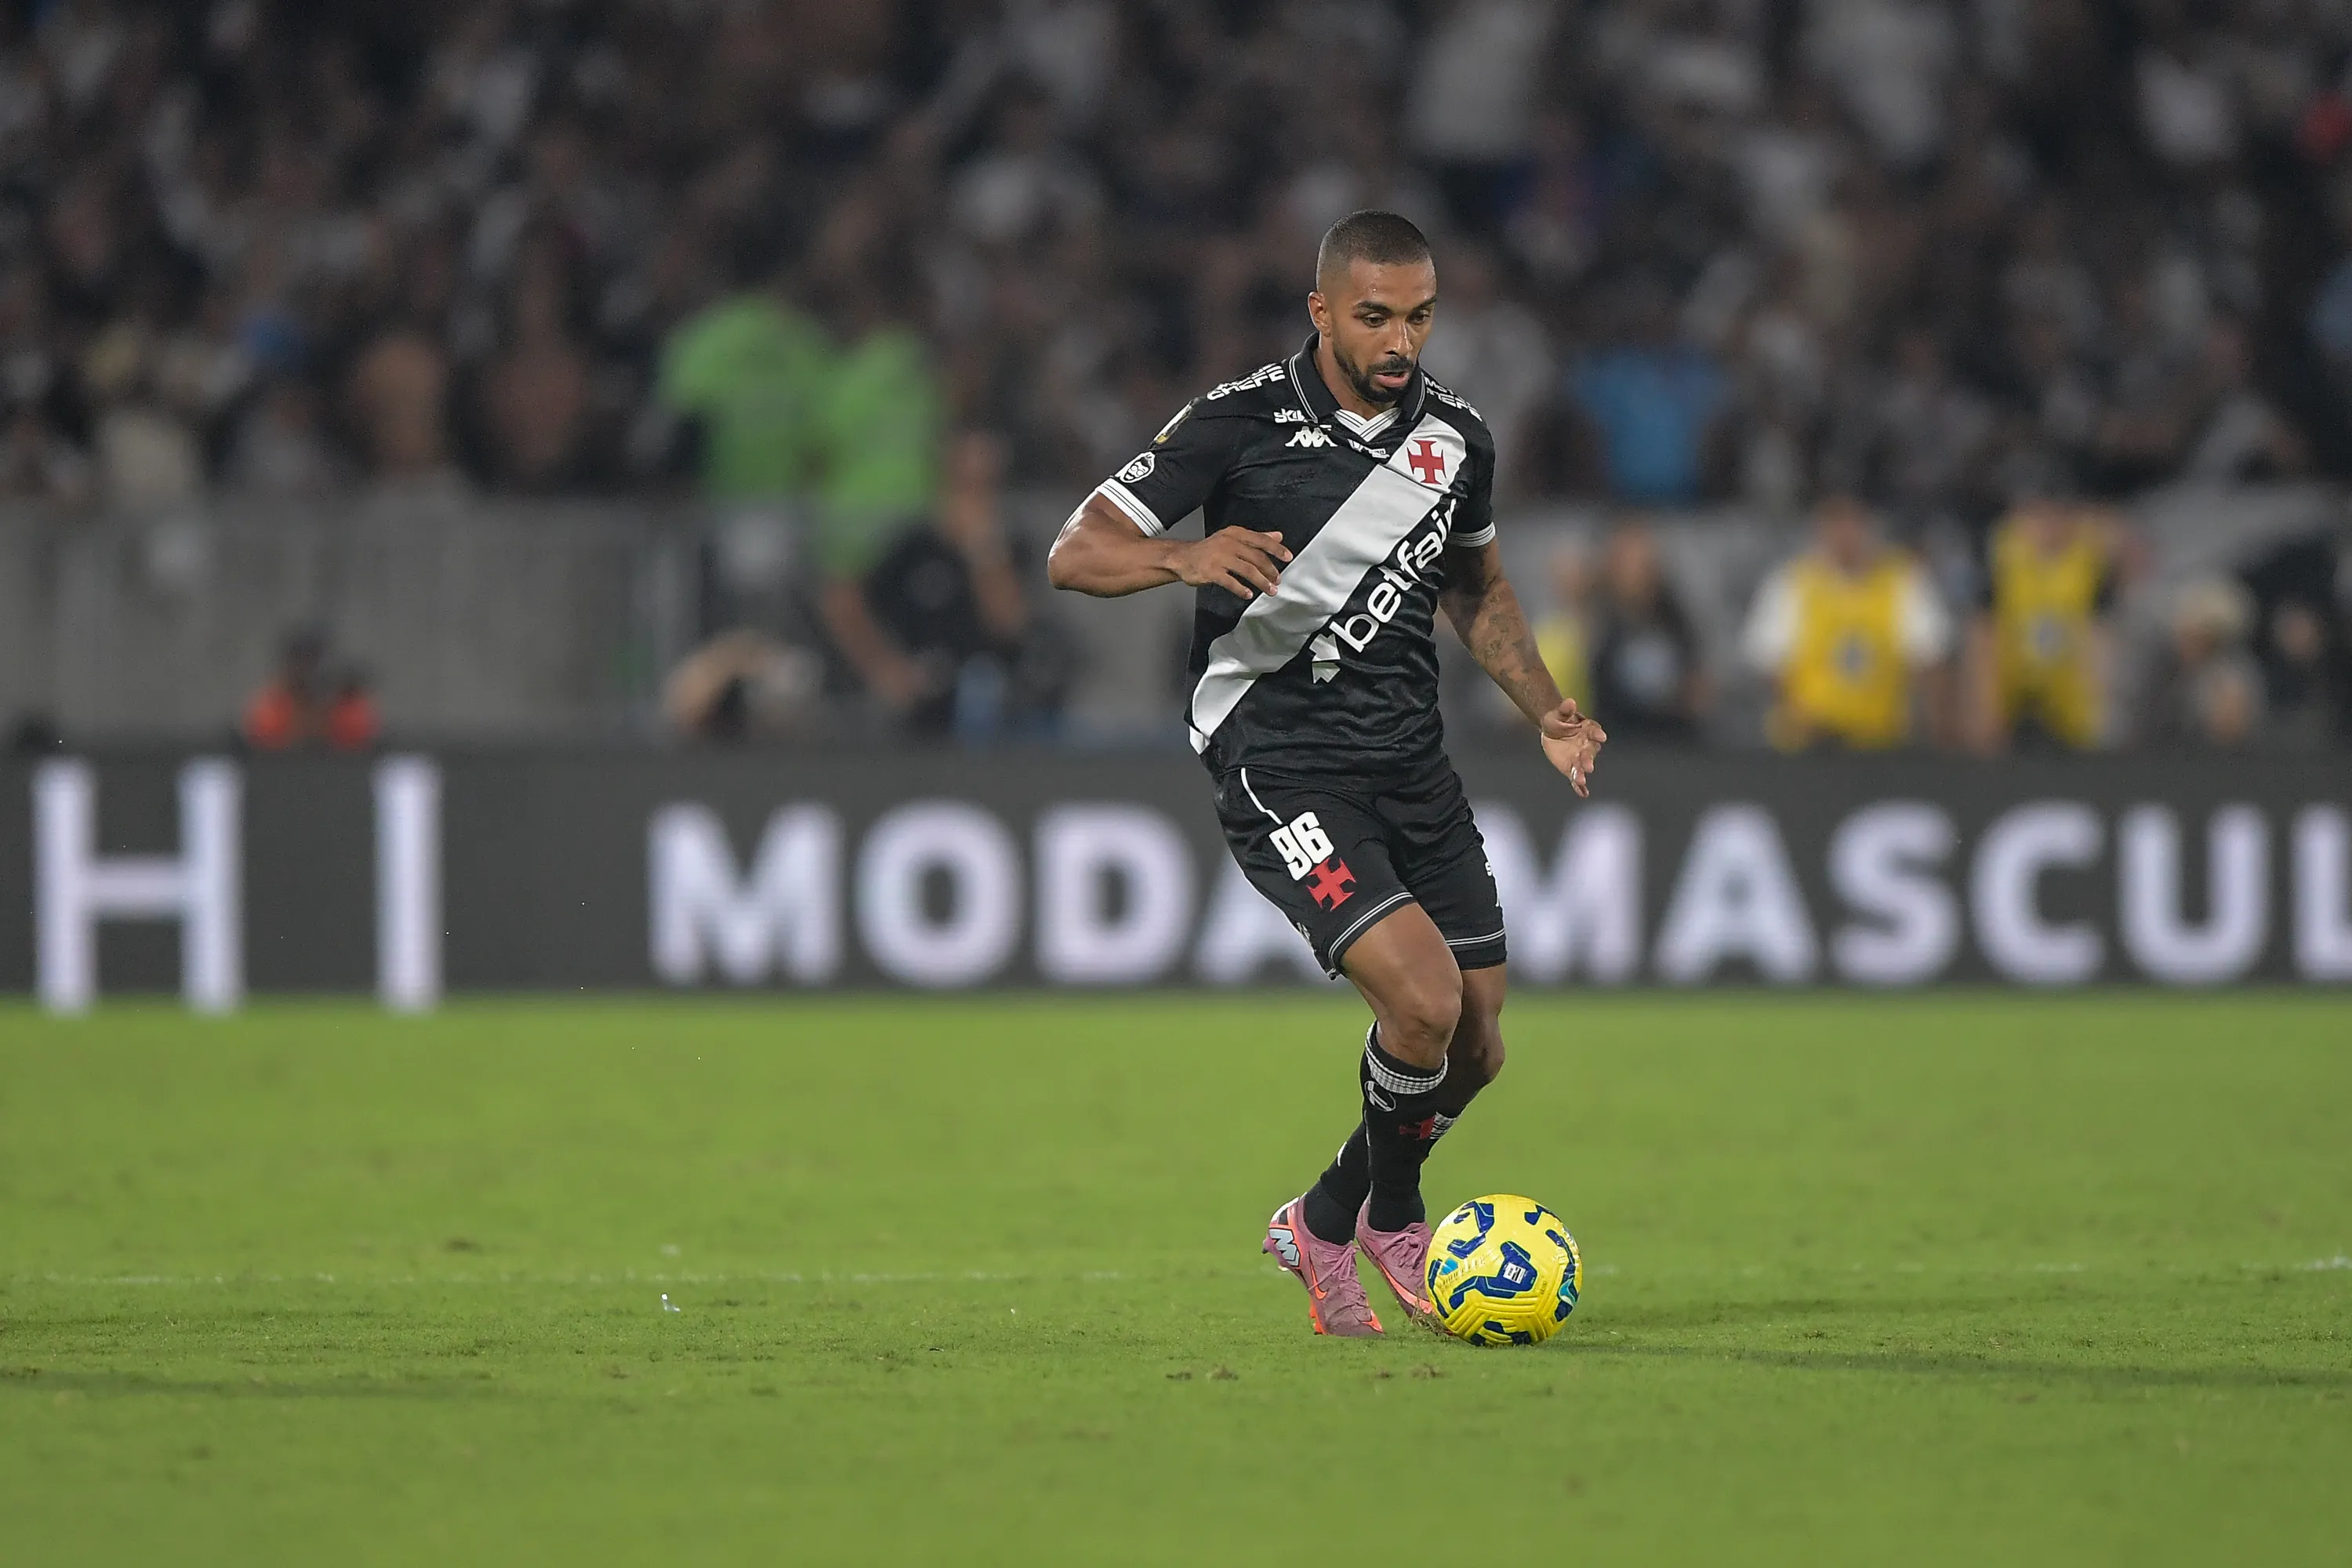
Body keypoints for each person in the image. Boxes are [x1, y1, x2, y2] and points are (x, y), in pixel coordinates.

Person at [1047, 211, 1606, 1338]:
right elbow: (1076, 551)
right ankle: (1393, 1215)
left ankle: (1325, 1215)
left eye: (1419, 315)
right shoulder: (1238, 423)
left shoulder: (1455, 436)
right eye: (1375, 317)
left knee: (1480, 1044)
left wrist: (1547, 709)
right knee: (1424, 1002)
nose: (1401, 340)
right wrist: (1185, 555)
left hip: (1411, 760)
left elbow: (1475, 592)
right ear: (1321, 313)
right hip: (1282, 757)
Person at [1742, 494, 1952, 750]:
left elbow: (1930, 659)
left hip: (1884, 739)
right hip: (1810, 742)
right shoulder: (1791, 582)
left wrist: (1933, 734)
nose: (1845, 535)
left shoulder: (1904, 580)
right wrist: (1795, 717)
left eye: (1854, 523)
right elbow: (1769, 664)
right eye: (1835, 524)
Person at [1962, 495, 2122, 753]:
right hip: (2014, 681)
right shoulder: (2000, 556)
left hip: (2069, 684)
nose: (2046, 526)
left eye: (2054, 516)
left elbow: (2100, 638)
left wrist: (2096, 709)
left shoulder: (2091, 559)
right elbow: (1983, 634)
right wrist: (1987, 709)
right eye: (2037, 516)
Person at [1586, 519, 1707, 742]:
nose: (1639, 573)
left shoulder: (1677, 621)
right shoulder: (1595, 620)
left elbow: (1696, 687)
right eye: (1630, 563)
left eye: (1645, 563)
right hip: (1614, 742)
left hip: (1675, 742)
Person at [242, 628, 380, 752]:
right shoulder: (276, 701)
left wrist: (328, 711)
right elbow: (265, 740)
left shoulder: (346, 702)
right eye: (300, 662)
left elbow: (360, 740)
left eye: (312, 661)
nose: (306, 671)